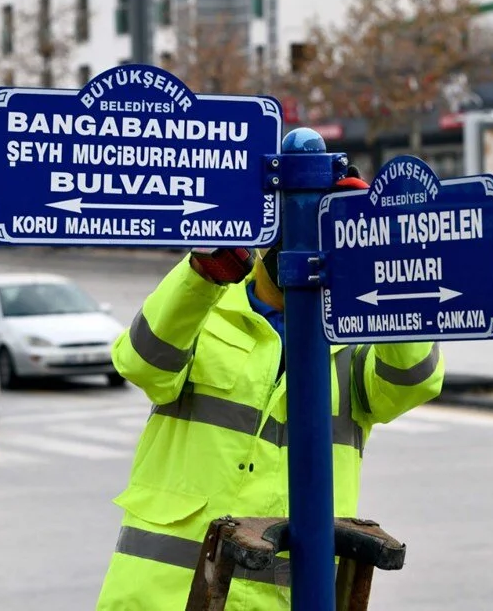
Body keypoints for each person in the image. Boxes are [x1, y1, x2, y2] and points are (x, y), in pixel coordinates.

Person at [95, 174, 445, 610]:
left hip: (282, 601)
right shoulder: (205, 309)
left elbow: (416, 381)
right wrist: (203, 268)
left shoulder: (356, 341)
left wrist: (384, 261)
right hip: (161, 596)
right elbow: (140, 362)